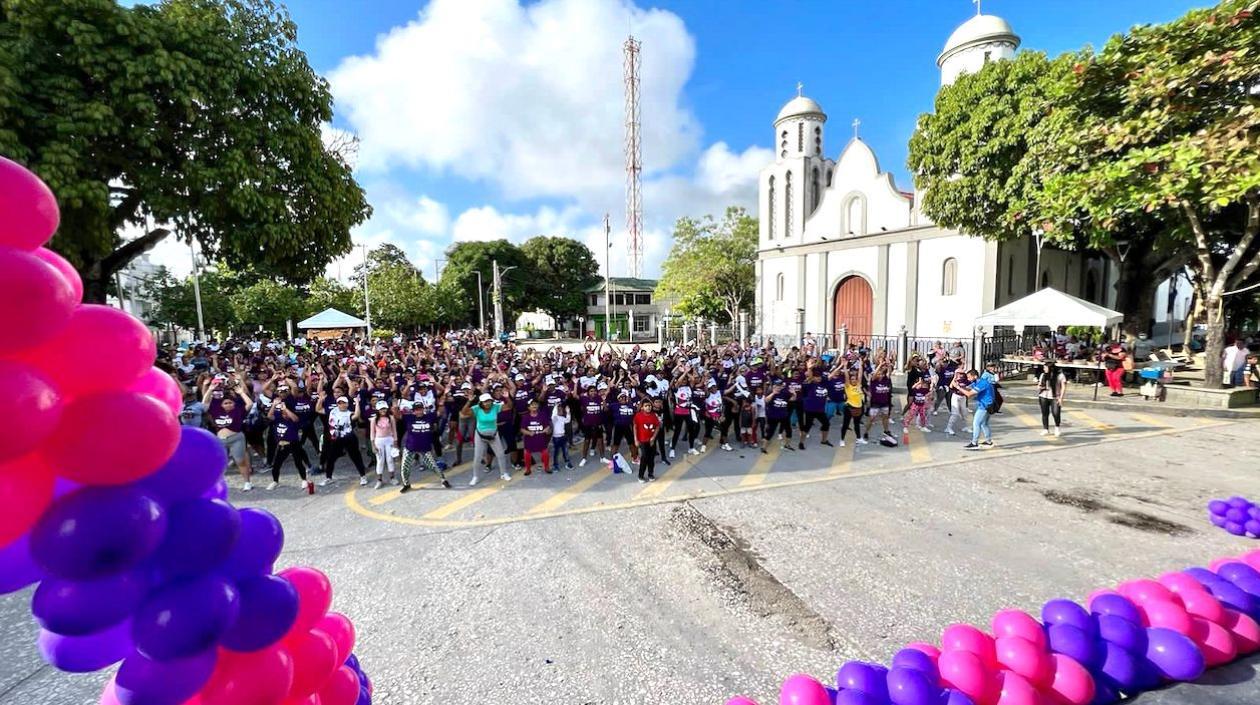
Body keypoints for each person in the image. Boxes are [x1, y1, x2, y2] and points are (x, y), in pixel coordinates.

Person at [207, 378, 253, 490]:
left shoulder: (238, 411)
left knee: (240, 461)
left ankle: (247, 482)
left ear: (234, 404)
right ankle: (218, 484)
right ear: (221, 405)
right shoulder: (216, 411)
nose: (228, 404)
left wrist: (241, 393)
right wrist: (209, 389)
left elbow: (250, 404)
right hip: (220, 440)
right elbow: (205, 403)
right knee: (220, 463)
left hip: (236, 438)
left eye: (230, 402)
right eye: (225, 403)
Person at [398, 400, 450, 492]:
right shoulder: (408, 417)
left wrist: (441, 403)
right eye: (416, 410)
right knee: (404, 467)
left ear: (423, 409)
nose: (419, 411)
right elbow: (397, 416)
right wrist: (395, 407)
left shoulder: (430, 416)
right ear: (413, 411)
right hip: (410, 448)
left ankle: (443, 480)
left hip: (424, 448)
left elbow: (440, 412)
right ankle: (406, 484)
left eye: (420, 409)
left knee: (433, 466)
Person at [462, 392, 511, 486]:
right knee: (477, 457)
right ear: (481, 403)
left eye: (489, 401)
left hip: (493, 435)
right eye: (485, 402)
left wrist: (507, 398)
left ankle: (503, 473)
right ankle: (475, 476)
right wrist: (469, 401)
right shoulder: (476, 408)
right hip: (480, 435)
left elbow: (509, 407)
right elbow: (464, 412)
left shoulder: (496, 407)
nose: (487, 403)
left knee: (500, 455)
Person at [320, 394, 368, 486]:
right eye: (339, 403)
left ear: (347, 404)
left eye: (343, 403)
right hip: (336, 439)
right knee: (331, 458)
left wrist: (357, 403)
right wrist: (321, 400)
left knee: (355, 457)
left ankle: (363, 476)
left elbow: (357, 415)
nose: (341, 405)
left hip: (349, 438)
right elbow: (318, 409)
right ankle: (328, 477)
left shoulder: (349, 414)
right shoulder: (333, 411)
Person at [268, 390, 311, 490]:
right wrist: (274, 405)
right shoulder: (279, 418)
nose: (284, 415)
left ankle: (304, 480)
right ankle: (275, 481)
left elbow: (295, 418)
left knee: (298, 462)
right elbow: (269, 416)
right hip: (282, 445)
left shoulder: (293, 420)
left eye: (286, 413)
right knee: (276, 465)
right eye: (283, 413)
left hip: (293, 443)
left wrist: (286, 409)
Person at [957, 368, 997, 450]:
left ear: (975, 376)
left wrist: (958, 387)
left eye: (969, 377)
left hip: (985, 406)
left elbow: (969, 394)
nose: (968, 379)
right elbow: (968, 388)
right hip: (988, 405)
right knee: (984, 424)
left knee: (976, 423)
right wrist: (960, 384)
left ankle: (974, 443)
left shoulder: (982, 383)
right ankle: (988, 441)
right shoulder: (976, 382)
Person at [369, 400, 398, 488]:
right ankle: (379, 480)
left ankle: (392, 477)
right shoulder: (374, 419)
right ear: (378, 410)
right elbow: (372, 433)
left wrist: (395, 442)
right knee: (380, 460)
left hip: (389, 439)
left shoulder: (391, 418)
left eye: (384, 409)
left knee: (390, 459)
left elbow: (394, 430)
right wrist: (373, 445)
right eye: (381, 409)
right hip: (379, 440)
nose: (383, 411)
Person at [519, 399, 552, 475]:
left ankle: (547, 467)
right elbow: (522, 429)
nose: (534, 406)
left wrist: (546, 430)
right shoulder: (525, 417)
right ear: (528, 407)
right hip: (529, 440)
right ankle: (528, 469)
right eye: (532, 404)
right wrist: (529, 433)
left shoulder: (543, 415)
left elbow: (547, 426)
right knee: (527, 454)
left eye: (536, 404)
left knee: (545, 453)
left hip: (541, 439)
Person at [633, 398, 662, 482]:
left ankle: (650, 474)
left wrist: (653, 438)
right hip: (642, 440)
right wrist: (636, 439)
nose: (648, 407)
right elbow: (635, 427)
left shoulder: (653, 415)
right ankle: (640, 476)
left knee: (651, 458)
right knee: (644, 457)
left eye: (649, 406)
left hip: (651, 441)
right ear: (642, 407)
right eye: (646, 406)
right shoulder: (638, 415)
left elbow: (657, 426)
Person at [1038, 361, 1066, 437]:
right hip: (1044, 396)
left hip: (1055, 397)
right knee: (1045, 413)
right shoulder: (1043, 375)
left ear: (1050, 368)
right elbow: (1039, 386)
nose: (1044, 369)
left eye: (1045, 367)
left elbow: (1063, 387)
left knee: (1056, 413)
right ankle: (1045, 429)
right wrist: (1041, 387)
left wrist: (1061, 398)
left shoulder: (1060, 375)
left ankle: (1057, 428)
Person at [550, 402, 573, 470]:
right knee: (556, 453)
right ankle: (555, 465)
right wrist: (555, 406)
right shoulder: (554, 418)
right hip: (556, 438)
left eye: (562, 410)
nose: (561, 411)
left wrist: (568, 412)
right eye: (559, 410)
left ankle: (567, 463)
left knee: (565, 451)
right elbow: (553, 414)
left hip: (563, 437)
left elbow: (568, 420)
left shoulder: (563, 418)